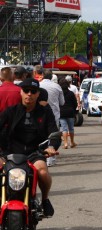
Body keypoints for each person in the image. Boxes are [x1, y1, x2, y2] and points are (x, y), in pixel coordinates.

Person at [0, 78, 59, 217]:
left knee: (43, 172)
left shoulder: (45, 112)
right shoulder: (10, 111)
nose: (29, 94)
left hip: (35, 153)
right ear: (21, 92)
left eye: (33, 91)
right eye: (26, 91)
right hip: (10, 153)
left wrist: (51, 147)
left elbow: (54, 133)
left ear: (38, 94)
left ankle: (45, 199)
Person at [40, 69, 65, 166]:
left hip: (39, 115)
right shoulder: (57, 86)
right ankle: (51, 159)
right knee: (53, 137)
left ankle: (41, 158)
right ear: (51, 77)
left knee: (42, 137)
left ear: (42, 75)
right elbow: (62, 102)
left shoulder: (39, 85)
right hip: (54, 115)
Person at [59, 79, 78, 149]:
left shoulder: (59, 94)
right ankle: (72, 142)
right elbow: (75, 104)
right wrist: (73, 109)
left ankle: (65, 143)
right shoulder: (71, 93)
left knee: (64, 129)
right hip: (70, 112)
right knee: (71, 129)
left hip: (62, 112)